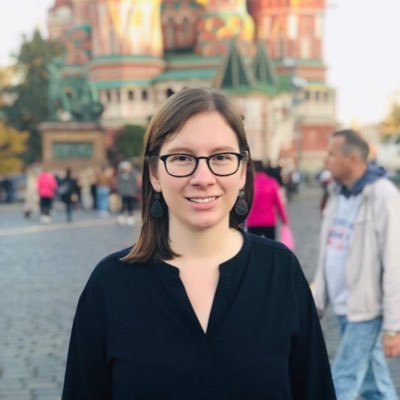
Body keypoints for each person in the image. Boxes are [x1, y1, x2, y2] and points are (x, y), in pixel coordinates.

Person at [62, 88, 336, 399]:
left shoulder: (280, 271)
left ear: (243, 169)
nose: (203, 177)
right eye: (182, 158)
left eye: (221, 157)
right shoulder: (110, 285)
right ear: (154, 173)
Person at [312, 129, 400, 400]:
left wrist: (393, 326)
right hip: (342, 304)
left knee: (342, 380)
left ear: (352, 158)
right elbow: (327, 253)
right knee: (375, 384)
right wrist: (318, 298)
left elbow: (395, 261)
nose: (325, 160)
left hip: (366, 308)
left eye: (331, 154)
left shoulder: (383, 196)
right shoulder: (337, 192)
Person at [246, 160, 288, 240]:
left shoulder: (249, 184)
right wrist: (284, 220)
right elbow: (279, 204)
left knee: (254, 248)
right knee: (270, 247)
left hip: (253, 222)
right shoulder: (272, 183)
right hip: (269, 221)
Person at [116, 160, 139, 226]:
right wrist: (119, 190)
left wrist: (134, 190)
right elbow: (118, 183)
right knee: (122, 205)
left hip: (130, 192)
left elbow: (135, 182)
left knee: (130, 205)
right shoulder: (120, 174)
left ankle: (130, 218)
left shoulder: (132, 173)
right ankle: (121, 218)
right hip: (123, 192)